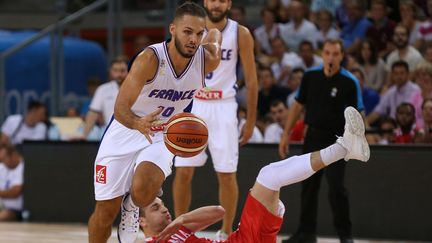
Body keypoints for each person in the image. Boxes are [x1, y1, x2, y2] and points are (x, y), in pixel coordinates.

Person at [87, 2, 222, 243]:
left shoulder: (208, 60)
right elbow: (119, 109)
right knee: (105, 212)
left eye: (199, 33)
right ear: (172, 29)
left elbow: (215, 35)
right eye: (187, 31)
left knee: (143, 191)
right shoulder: (149, 59)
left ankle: (132, 205)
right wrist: (138, 123)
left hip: (163, 133)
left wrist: (212, 33)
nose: (193, 39)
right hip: (126, 129)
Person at [139, 107, 370, 243]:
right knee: (269, 176)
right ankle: (342, 148)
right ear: (141, 223)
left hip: (239, 238)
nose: (164, 209)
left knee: (272, 178)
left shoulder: (177, 229)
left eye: (160, 205)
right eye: (155, 208)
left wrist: (182, 220)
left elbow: (219, 212)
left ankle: (344, 149)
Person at [173, 0, 258, 240]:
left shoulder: (240, 33)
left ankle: (226, 231)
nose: (216, 4)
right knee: (183, 172)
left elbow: (251, 81)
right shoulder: (192, 30)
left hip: (224, 106)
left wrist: (251, 120)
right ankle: (181, 230)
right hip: (194, 103)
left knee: (227, 173)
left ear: (229, 3)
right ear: (205, 2)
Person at [279, 38, 364, 243]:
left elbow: (358, 113)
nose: (331, 57)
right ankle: (306, 233)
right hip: (313, 136)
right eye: (327, 53)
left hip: (338, 140)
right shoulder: (310, 76)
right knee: (308, 185)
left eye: (335, 54)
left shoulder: (350, 82)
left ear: (342, 56)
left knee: (336, 188)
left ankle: (345, 235)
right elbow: (298, 105)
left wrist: (356, 140)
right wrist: (286, 134)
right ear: (322, 55)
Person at [81, 56, 129, 139]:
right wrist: (84, 135)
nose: (119, 74)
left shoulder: (139, 88)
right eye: (115, 70)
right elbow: (93, 114)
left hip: (132, 135)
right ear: (110, 71)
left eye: (122, 70)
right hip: (110, 135)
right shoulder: (103, 89)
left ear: (129, 71)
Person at [0, 144, 24, 221]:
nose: (3, 163)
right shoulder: (2, 167)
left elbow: (15, 192)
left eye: (4, 159)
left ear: (13, 155)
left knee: (5, 215)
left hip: (16, 210)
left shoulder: (23, 167)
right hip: (2, 206)